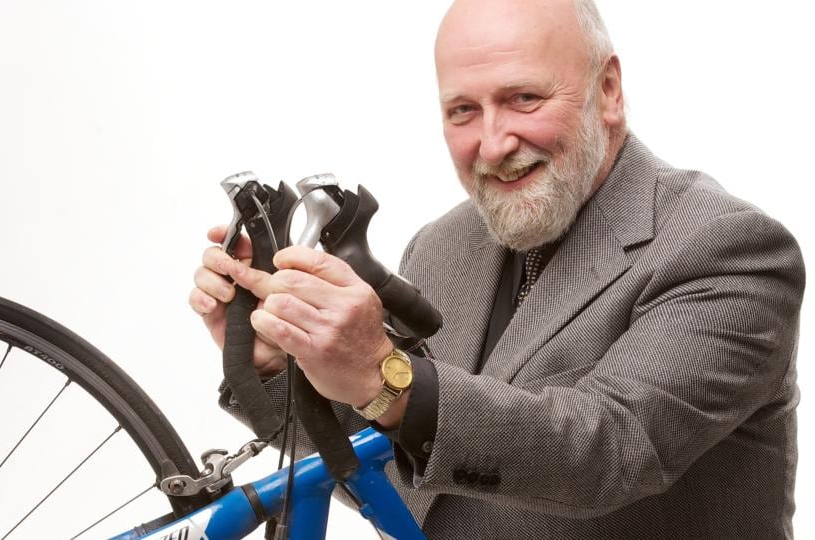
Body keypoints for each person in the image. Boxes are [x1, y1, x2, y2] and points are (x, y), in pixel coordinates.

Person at [189, 0, 805, 537]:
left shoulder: (728, 250)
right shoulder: (443, 247)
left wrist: (382, 376)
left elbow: (610, 448)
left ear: (608, 90)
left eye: (523, 98)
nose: (492, 143)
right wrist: (280, 363)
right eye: (462, 111)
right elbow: (407, 479)